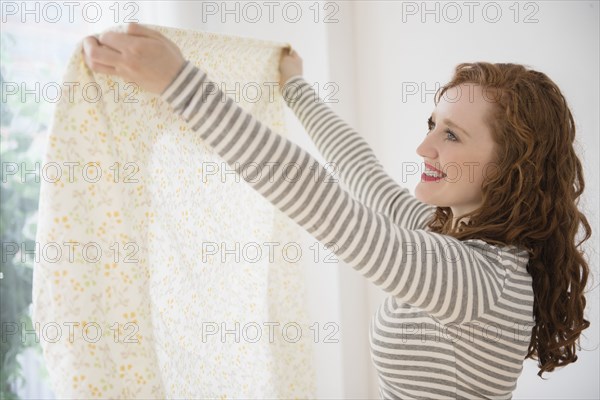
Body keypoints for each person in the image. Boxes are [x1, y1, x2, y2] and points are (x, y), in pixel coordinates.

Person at [81, 22, 592, 399]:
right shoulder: (444, 232)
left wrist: (179, 82)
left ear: (511, 167)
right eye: (432, 123)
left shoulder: (479, 278)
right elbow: (356, 168)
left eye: (451, 134)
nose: (423, 148)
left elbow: (318, 198)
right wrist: (294, 86)